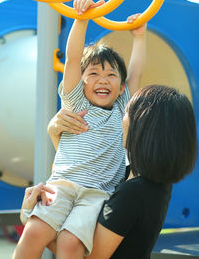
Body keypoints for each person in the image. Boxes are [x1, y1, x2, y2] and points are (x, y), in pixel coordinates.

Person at [12, 0, 147, 259]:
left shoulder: (122, 108)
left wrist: (140, 38)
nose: (102, 80)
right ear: (82, 82)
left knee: (70, 244)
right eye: (94, 74)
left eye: (110, 75)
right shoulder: (75, 102)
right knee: (33, 233)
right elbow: (73, 59)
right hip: (61, 186)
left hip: (97, 194)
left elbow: (136, 75)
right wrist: (81, 19)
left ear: (121, 88)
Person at [20, 84, 197, 259]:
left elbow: (88, 256)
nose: (122, 119)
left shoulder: (132, 193)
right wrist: (54, 132)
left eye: (127, 112)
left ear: (144, 128)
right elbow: (86, 169)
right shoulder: (152, 182)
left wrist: (30, 219)